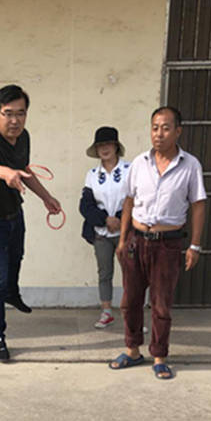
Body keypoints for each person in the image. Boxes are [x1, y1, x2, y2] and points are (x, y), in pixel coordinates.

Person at [110, 107, 206, 380]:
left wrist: (195, 245)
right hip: (136, 241)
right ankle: (132, 350)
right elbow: (129, 201)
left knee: (161, 304)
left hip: (168, 244)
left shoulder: (190, 165)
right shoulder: (139, 163)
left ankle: (159, 356)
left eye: (165, 128)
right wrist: (122, 239)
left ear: (178, 131)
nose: (159, 134)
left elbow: (198, 205)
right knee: (130, 301)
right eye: (154, 128)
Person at [0, 85, 61, 361]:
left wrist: (46, 197)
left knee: (17, 257)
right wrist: (4, 173)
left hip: (14, 213)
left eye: (20, 114)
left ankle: (12, 292)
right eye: (8, 113)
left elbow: (25, 169)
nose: (14, 120)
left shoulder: (23, 137)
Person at [79, 126, 130, 328]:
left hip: (126, 231)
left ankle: (131, 315)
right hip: (101, 232)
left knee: (131, 274)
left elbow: (136, 199)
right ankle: (106, 311)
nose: (104, 149)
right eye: (100, 145)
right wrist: (105, 220)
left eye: (108, 144)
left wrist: (119, 219)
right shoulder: (92, 175)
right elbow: (85, 205)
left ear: (116, 146)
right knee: (104, 273)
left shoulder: (130, 170)